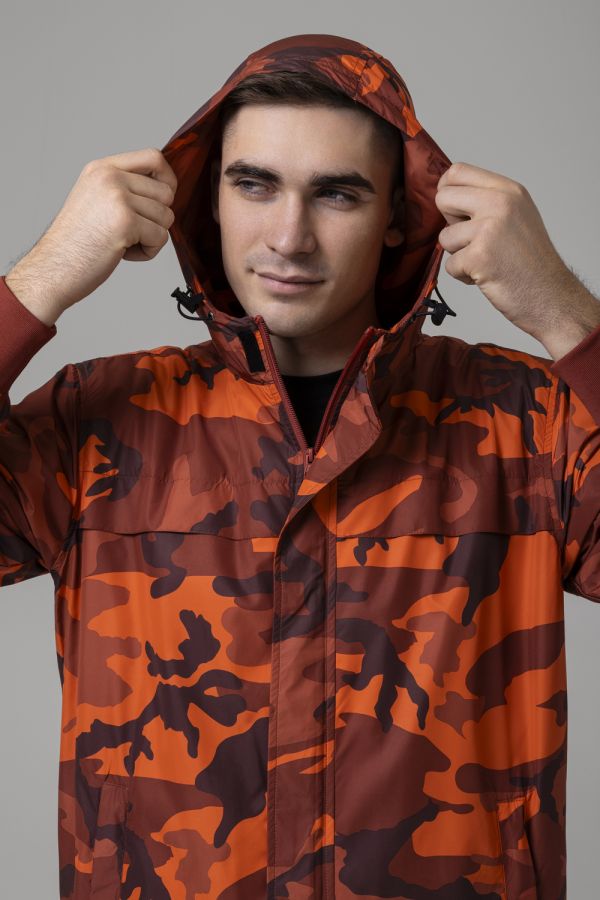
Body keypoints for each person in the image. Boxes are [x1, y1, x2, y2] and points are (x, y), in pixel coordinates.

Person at [1, 31, 599, 900]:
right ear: (206, 202)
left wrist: (565, 315)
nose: (289, 237)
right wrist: (40, 282)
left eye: (337, 194)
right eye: (254, 184)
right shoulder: (97, 421)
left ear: (402, 218)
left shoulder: (524, 423)